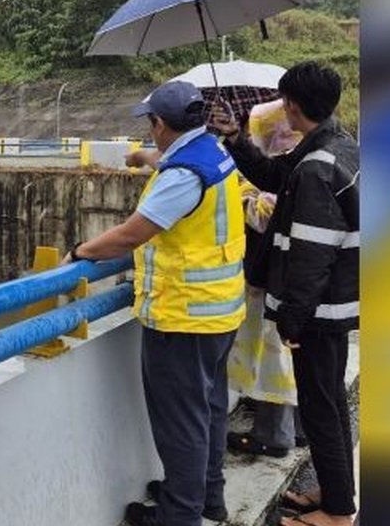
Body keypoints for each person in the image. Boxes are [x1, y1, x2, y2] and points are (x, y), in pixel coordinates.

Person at [62, 80, 246, 526]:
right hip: (220, 310)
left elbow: (131, 234)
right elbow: (177, 167)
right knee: (209, 409)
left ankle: (180, 515)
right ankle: (205, 496)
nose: (149, 132)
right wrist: (147, 160)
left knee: (180, 423)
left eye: (150, 125)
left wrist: (79, 253)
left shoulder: (182, 175)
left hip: (183, 316)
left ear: (160, 124)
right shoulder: (214, 152)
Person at [209, 62, 359, 526]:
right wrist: (236, 138)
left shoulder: (317, 167)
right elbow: (276, 175)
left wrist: (292, 320)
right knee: (328, 398)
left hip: (319, 309)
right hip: (337, 303)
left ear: (291, 105)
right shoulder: (338, 145)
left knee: (319, 405)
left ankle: (335, 514)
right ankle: (338, 492)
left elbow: (312, 254)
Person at [226, 100, 305, 460]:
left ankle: (275, 435)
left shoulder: (285, 170)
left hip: (276, 282)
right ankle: (299, 429)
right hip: (296, 282)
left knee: (276, 358)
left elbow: (264, 216)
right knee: (291, 357)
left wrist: (244, 194)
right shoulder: (305, 159)